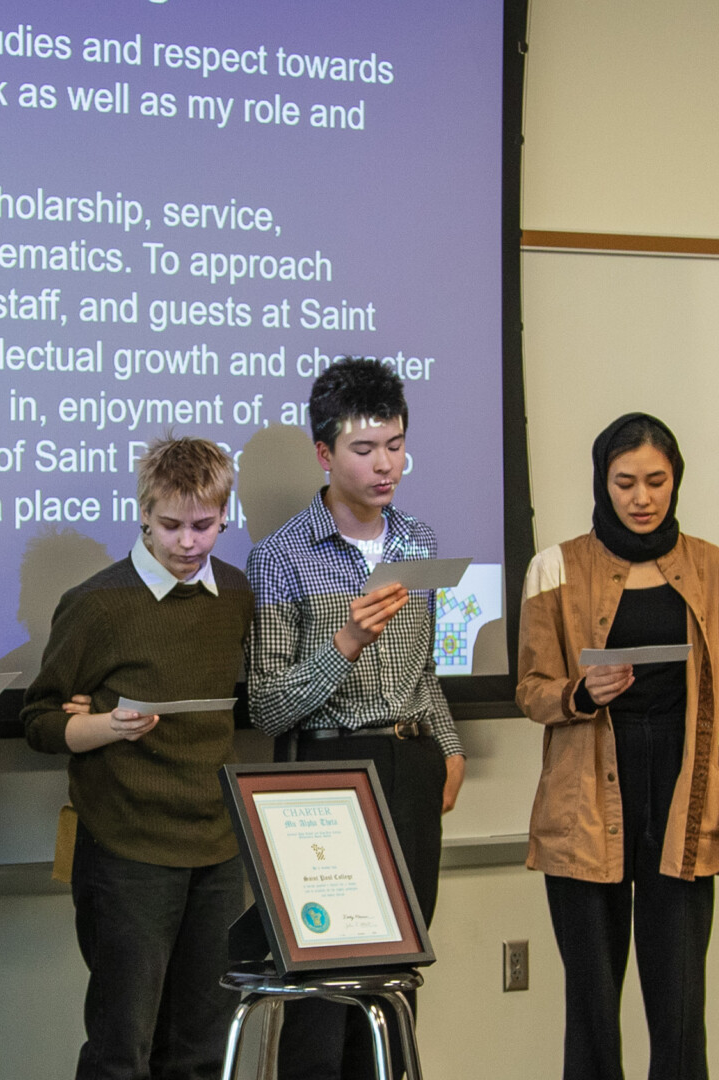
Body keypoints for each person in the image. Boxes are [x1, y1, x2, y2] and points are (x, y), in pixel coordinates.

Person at [517, 413, 719, 1080]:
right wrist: (580, 691)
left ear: (676, 480)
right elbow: (531, 690)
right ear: (602, 481)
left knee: (680, 1006)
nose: (642, 497)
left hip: (683, 797)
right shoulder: (554, 567)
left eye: (656, 480)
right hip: (585, 800)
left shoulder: (716, 569)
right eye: (625, 482)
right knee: (592, 1006)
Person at [244, 357, 465, 1080]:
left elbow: (424, 667)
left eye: (395, 445)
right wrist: (345, 645)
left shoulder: (418, 541)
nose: (385, 466)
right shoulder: (280, 557)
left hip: (411, 767)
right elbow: (269, 704)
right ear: (324, 453)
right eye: (364, 450)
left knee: (397, 978)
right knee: (323, 990)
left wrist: (450, 746)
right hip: (324, 775)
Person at [22, 437, 253, 1080]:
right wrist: (106, 727)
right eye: (171, 525)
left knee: (205, 1049)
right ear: (143, 514)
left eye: (203, 526)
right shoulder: (96, 603)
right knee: (124, 1048)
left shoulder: (235, 593)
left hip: (214, 843)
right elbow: (39, 722)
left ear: (225, 516)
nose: (187, 542)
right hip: (126, 849)